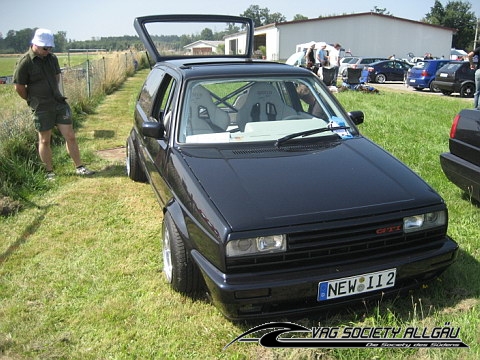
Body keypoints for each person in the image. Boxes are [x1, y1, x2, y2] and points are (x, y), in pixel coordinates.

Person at [13, 28, 94, 180]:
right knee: (44, 139)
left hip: (58, 102)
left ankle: (79, 167)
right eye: (45, 48)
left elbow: (56, 77)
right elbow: (19, 87)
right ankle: (49, 172)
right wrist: (32, 100)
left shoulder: (52, 58)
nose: (48, 50)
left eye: (50, 47)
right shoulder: (25, 62)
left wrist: (54, 94)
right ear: (35, 44)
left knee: (70, 136)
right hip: (41, 107)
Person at [467, 45, 480, 110]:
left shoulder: (478, 49)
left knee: (477, 91)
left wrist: (471, 64)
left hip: (478, 71)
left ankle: (475, 109)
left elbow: (469, 55)